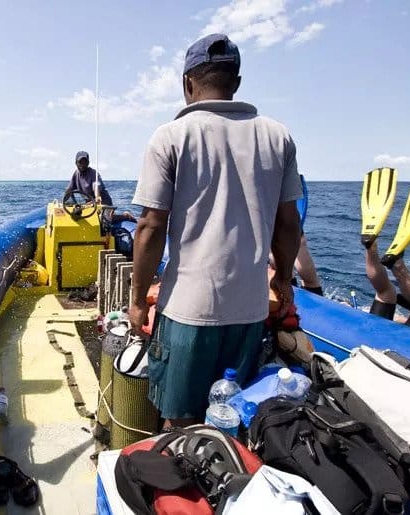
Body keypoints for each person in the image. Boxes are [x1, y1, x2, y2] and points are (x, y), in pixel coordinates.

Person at [128, 33, 303, 428]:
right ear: (236, 82)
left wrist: (138, 299)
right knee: (231, 415)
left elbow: (151, 226)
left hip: (189, 311)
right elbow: (289, 223)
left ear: (187, 83)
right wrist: (285, 281)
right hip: (250, 310)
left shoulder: (171, 136)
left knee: (179, 420)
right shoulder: (278, 136)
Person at [364, 241, 410, 334]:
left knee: (386, 292)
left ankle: (370, 246)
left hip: (376, 333)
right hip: (409, 343)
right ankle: (374, 249)